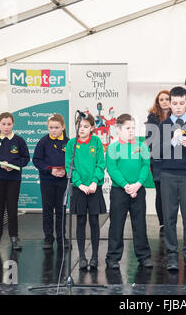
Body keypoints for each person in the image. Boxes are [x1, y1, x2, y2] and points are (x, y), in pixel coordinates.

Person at [160, 86, 186, 271]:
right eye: (175, 103)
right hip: (168, 174)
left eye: (181, 103)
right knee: (169, 217)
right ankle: (171, 256)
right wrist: (172, 140)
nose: (178, 107)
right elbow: (157, 153)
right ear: (170, 104)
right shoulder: (162, 126)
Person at [106, 114, 153, 270]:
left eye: (133, 128)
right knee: (116, 224)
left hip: (138, 190)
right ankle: (113, 257)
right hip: (120, 191)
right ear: (118, 130)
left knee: (139, 224)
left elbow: (146, 166)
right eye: (128, 128)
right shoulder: (113, 147)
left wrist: (137, 184)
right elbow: (112, 169)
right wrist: (126, 185)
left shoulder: (142, 146)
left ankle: (144, 256)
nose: (131, 131)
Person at [0, 112, 30, 251]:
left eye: (9, 124)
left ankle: (14, 237)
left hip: (13, 179)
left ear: (13, 125)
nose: (6, 127)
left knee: (12, 207)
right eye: (3, 124)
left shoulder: (19, 141)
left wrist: (13, 165)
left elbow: (25, 158)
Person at [65, 113, 106, 270]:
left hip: (94, 188)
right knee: (80, 221)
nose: (81, 129)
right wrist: (79, 184)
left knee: (94, 221)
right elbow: (70, 165)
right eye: (80, 126)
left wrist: (95, 182)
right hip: (79, 188)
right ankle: (82, 256)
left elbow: (100, 164)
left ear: (92, 128)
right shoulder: (71, 144)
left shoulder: (96, 141)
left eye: (85, 126)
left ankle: (94, 256)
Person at [33, 114, 69, 250]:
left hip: (63, 181)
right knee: (48, 210)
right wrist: (49, 170)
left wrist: (66, 170)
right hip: (47, 181)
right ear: (47, 127)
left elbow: (73, 160)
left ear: (63, 127)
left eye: (57, 127)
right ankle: (48, 238)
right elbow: (36, 160)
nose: (54, 130)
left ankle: (61, 237)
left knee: (61, 210)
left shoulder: (68, 142)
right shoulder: (43, 142)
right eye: (51, 127)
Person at [145, 90, 171, 235]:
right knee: (160, 193)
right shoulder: (152, 118)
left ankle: (170, 222)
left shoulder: (178, 116)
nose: (164, 101)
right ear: (157, 102)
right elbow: (149, 140)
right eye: (161, 99)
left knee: (172, 194)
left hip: (174, 160)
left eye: (167, 98)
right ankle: (162, 224)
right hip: (157, 161)